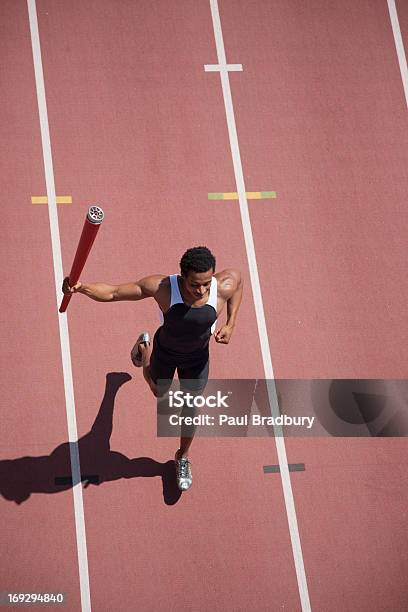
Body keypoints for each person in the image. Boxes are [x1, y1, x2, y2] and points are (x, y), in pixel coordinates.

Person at [62, 246, 243, 491]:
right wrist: (81, 288)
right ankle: (144, 350)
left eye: (206, 284)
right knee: (159, 392)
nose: (201, 291)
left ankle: (182, 457)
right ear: (182, 278)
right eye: (194, 285)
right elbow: (115, 292)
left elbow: (238, 282)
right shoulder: (163, 289)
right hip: (165, 352)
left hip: (197, 358)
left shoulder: (223, 286)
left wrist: (231, 323)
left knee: (190, 407)